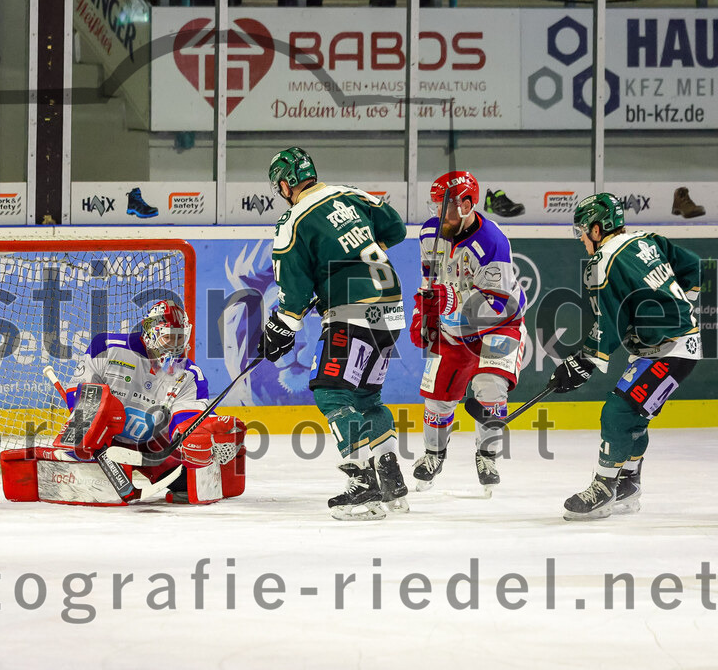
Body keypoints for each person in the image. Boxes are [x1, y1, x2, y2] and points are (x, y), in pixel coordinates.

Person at [259, 146, 409, 521]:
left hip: (352, 310)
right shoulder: (350, 193)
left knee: (331, 391)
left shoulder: (293, 220)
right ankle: (391, 482)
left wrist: (282, 325)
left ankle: (363, 485)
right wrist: (353, 258)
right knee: (366, 397)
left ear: (285, 184)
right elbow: (396, 228)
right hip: (391, 307)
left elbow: (293, 292)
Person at [549, 193, 701, 521]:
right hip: (678, 346)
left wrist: (582, 362)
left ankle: (605, 488)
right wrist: (678, 307)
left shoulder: (602, 261)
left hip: (669, 350)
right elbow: (694, 267)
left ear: (596, 229)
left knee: (617, 413)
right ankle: (629, 482)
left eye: (581, 232)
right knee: (635, 416)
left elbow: (608, 322)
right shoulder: (647, 240)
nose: (581, 239)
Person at [58, 299, 246, 504]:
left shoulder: (189, 375)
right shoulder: (107, 347)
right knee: (90, 481)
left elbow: (185, 418)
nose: (176, 345)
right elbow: (76, 390)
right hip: (101, 440)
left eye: (180, 337)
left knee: (186, 482)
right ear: (150, 333)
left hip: (151, 445)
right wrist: (90, 425)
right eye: (168, 337)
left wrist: (198, 432)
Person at [410, 171, 527, 495]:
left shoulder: (492, 241)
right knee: (437, 396)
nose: (438, 213)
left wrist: (449, 301)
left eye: (444, 206)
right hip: (454, 327)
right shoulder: (429, 233)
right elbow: (429, 281)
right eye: (435, 206)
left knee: (490, 388)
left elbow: (497, 304)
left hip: (501, 324)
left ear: (466, 205)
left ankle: (487, 457)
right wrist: (424, 314)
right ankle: (433, 456)